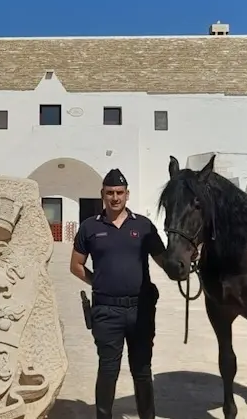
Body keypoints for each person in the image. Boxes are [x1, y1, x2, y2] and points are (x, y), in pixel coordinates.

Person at [69, 168, 167, 419]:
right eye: (110, 192)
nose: (115, 197)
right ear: (102, 194)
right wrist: (98, 282)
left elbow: (165, 260)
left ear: (127, 195)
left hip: (141, 310)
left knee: (142, 370)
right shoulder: (90, 227)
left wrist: (185, 260)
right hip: (106, 312)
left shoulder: (143, 226)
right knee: (108, 369)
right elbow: (76, 265)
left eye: (120, 192)